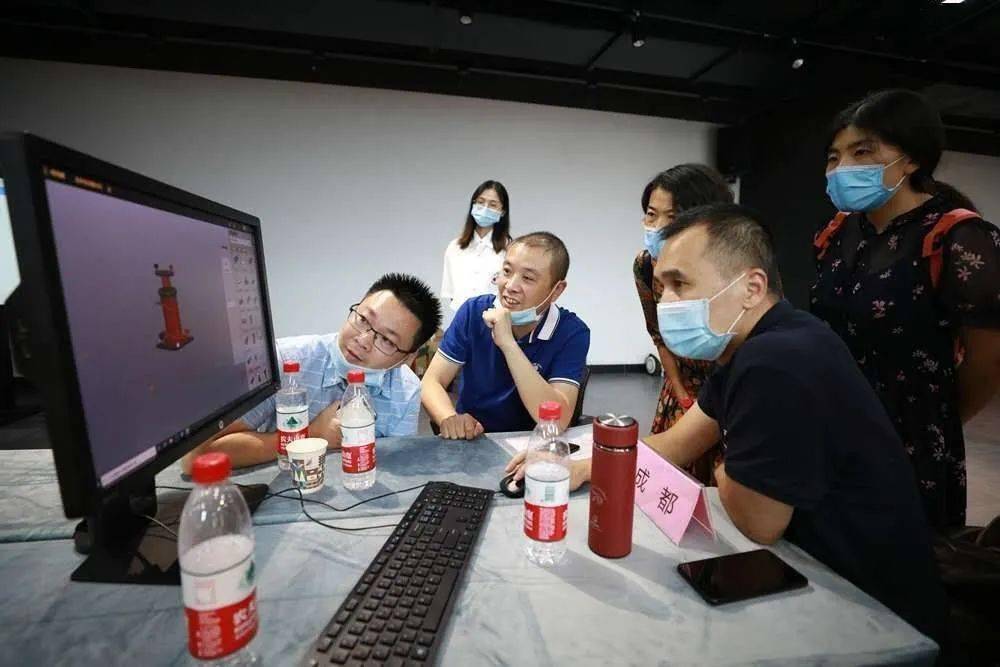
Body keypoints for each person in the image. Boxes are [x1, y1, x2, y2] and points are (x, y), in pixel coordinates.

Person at [507, 204, 947, 642]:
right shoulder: (756, 344)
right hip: (819, 576)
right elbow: (676, 443)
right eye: (661, 288)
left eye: (680, 284)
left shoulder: (775, 360)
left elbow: (758, 521)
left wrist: (723, 469)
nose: (666, 303)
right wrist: (583, 465)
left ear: (752, 288)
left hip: (868, 608)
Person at [812, 89, 1000, 530]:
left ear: (912, 158)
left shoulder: (960, 239)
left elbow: (987, 362)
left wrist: (934, 421)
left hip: (910, 443)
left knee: (894, 558)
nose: (842, 168)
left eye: (862, 152)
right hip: (828, 427)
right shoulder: (835, 234)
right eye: (834, 157)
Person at [181, 273, 441, 472]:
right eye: (363, 319)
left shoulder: (406, 390)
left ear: (406, 358)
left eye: (386, 340)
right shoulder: (286, 361)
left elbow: (396, 468)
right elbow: (196, 457)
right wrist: (310, 435)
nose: (363, 340)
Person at [422, 232, 590, 437]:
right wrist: (450, 419)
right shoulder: (473, 312)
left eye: (528, 278)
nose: (510, 286)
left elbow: (558, 420)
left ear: (556, 290)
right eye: (507, 271)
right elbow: (431, 381)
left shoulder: (571, 332)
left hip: (532, 444)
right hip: (473, 439)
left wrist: (508, 344)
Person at [635, 164, 734, 484]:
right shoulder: (645, 266)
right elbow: (657, 333)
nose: (658, 227)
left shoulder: (734, 270)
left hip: (733, 386)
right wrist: (679, 390)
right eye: (652, 215)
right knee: (670, 485)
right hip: (682, 384)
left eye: (674, 217)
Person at [440, 180, 512, 316]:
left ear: (502, 211)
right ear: (473, 204)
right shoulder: (455, 248)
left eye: (493, 205)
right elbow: (452, 294)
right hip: (461, 320)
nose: (485, 208)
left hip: (495, 320)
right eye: (480, 202)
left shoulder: (509, 250)